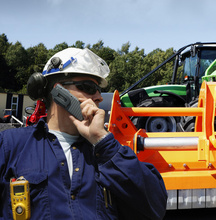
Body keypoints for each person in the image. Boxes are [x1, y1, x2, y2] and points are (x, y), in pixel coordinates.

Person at [0, 48, 167, 219]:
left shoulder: (110, 152)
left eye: (99, 90)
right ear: (59, 92)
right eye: (88, 87)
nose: (99, 97)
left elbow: (155, 208)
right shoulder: (10, 146)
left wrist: (102, 141)